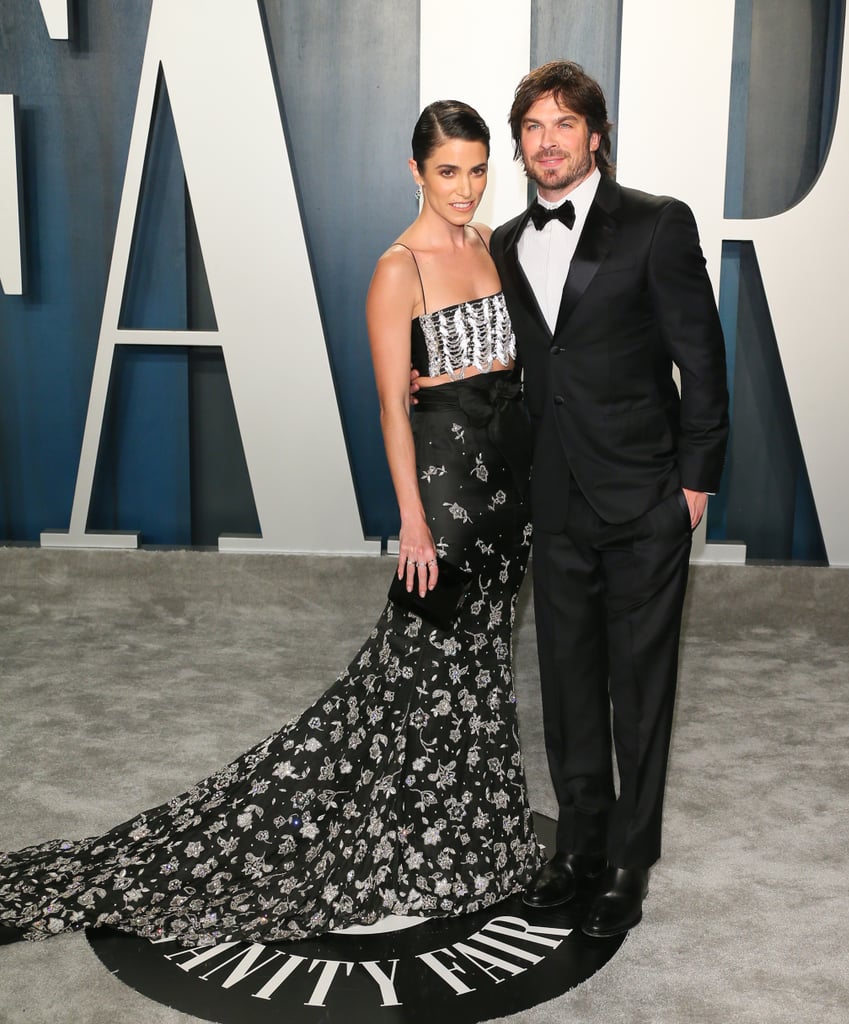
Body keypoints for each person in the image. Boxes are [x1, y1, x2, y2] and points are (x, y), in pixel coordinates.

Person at [0, 101, 541, 947]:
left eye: (477, 169)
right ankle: (403, 849)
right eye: (448, 171)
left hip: (508, 500)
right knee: (412, 680)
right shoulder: (399, 268)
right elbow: (393, 412)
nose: (466, 187)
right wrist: (411, 522)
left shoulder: (486, 248)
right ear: (414, 172)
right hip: (445, 504)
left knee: (476, 675)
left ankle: (467, 845)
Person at [488, 61, 729, 938]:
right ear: (518, 143)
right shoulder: (507, 241)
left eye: (563, 124)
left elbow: (700, 359)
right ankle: (579, 847)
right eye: (531, 126)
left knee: (640, 689)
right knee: (567, 688)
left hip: (643, 500)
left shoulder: (657, 225)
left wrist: (692, 488)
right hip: (552, 504)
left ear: (596, 135)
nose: (546, 141)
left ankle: (629, 863)